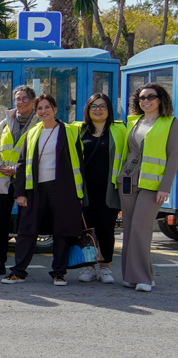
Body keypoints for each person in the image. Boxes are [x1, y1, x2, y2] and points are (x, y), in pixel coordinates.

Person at [1, 94, 84, 286]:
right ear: (36, 111)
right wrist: (20, 193)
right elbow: (21, 165)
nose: (43, 111)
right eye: (40, 108)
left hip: (63, 189)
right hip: (35, 189)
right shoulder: (32, 133)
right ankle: (18, 272)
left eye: (47, 107)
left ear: (55, 109)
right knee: (26, 231)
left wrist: (79, 194)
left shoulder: (71, 132)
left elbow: (80, 163)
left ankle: (59, 273)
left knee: (61, 231)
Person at [115, 83, 178, 292]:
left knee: (141, 229)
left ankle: (143, 277)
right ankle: (133, 276)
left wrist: (165, 187)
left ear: (161, 99)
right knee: (130, 229)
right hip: (127, 181)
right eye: (142, 98)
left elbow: (173, 158)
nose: (146, 101)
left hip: (152, 184)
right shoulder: (134, 122)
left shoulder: (171, 123)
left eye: (151, 96)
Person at [0, 86, 40, 276]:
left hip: (27, 181)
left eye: (25, 99)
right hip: (4, 180)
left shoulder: (39, 122)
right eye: (18, 99)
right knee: (1, 224)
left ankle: (20, 265)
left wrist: (17, 169)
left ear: (33, 101)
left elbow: (41, 154)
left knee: (26, 225)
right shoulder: (5, 123)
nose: (21, 102)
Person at [73, 93, 125, 285]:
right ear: (87, 109)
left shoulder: (119, 130)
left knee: (106, 229)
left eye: (102, 105)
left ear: (109, 109)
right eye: (94, 106)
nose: (98, 109)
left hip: (109, 189)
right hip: (84, 190)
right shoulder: (78, 130)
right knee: (86, 229)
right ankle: (89, 267)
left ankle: (105, 268)